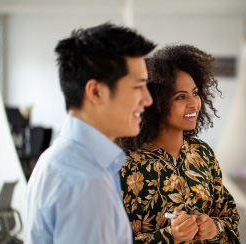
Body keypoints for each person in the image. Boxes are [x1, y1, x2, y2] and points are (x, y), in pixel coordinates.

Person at [25, 23, 156, 244]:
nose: (148, 100)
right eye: (137, 86)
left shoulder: (57, 159)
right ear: (96, 91)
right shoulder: (86, 183)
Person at [115, 44, 241, 244]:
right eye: (181, 97)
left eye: (195, 93)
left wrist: (214, 228)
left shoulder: (202, 154)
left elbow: (229, 216)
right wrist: (169, 237)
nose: (194, 103)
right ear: (154, 105)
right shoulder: (123, 165)